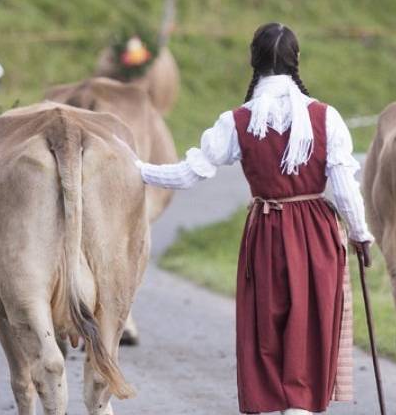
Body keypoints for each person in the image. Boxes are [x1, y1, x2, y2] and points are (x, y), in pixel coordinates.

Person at [135, 22, 375, 415]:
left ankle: (274, 404)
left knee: (267, 330)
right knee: (308, 328)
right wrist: (361, 235)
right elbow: (344, 186)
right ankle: (300, 407)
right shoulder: (325, 117)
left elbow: (188, 173)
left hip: (266, 232)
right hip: (316, 234)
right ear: (296, 61)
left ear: (253, 61)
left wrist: (139, 169)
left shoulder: (238, 120)